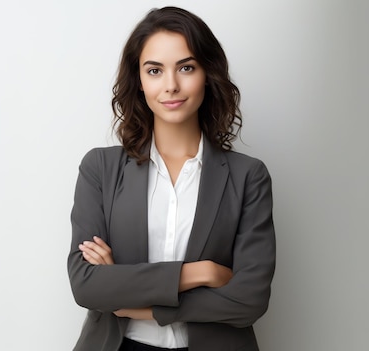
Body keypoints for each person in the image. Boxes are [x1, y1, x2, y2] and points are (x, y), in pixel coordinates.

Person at [67, 6, 275, 351]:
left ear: (207, 74)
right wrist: (202, 272)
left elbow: (250, 300)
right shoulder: (100, 168)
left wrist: (133, 301)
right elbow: (86, 286)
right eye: (154, 70)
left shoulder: (248, 176)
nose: (171, 86)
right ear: (139, 81)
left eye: (186, 68)